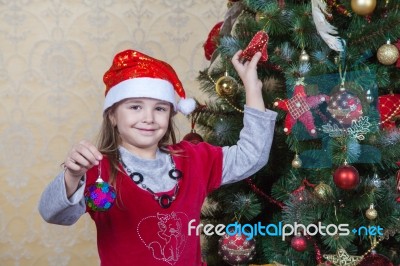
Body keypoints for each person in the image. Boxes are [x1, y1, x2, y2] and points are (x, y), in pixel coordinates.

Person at [38, 49, 277, 266]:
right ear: (112, 116)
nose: (149, 118)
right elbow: (55, 215)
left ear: (171, 114)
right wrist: (72, 176)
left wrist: (252, 88)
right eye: (135, 107)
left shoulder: (195, 159)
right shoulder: (99, 171)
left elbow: (251, 156)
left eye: (160, 108)